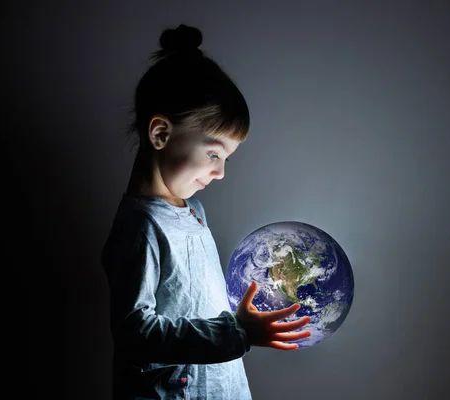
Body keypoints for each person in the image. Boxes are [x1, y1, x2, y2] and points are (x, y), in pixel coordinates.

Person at [101, 24, 311, 399]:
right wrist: (237, 333)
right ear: (161, 134)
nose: (220, 172)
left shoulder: (194, 211)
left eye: (227, 158)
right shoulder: (142, 227)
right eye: (214, 154)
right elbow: (134, 330)